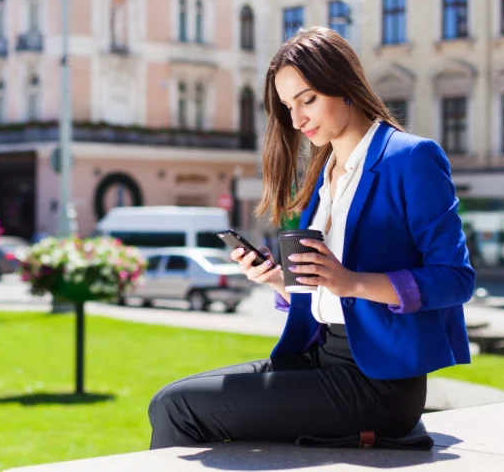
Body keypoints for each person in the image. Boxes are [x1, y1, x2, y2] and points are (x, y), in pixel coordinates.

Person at [147, 27, 475, 449]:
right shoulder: (325, 171)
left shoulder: (411, 157)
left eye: (308, 100)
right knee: (165, 402)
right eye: (288, 106)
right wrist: (276, 279)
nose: (297, 119)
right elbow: (326, 290)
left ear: (344, 86)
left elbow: (455, 279)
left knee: (181, 409)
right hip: (318, 357)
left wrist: (352, 281)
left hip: (380, 380)